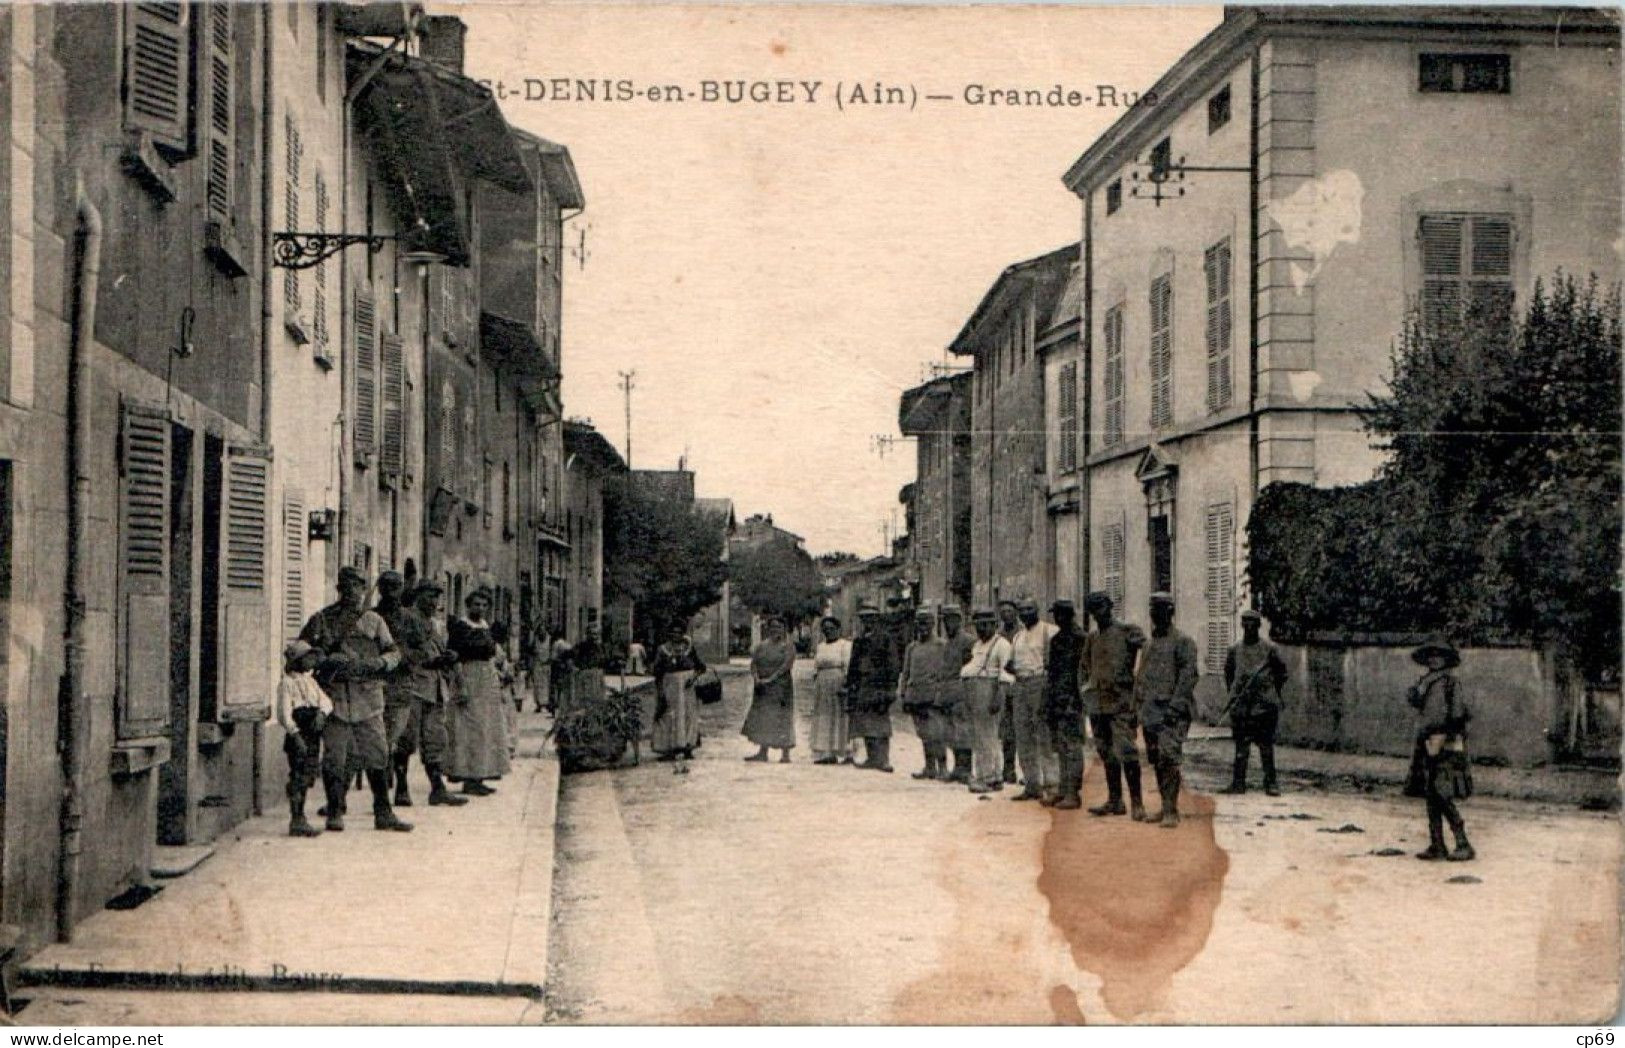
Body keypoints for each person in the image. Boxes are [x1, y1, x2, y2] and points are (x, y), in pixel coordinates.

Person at [299, 566, 412, 833]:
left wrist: (378, 664)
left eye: (358, 586)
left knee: (378, 755)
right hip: (334, 699)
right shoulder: (322, 620)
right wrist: (325, 659)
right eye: (347, 586)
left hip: (368, 698)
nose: (353, 592)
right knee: (335, 758)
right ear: (339, 589)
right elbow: (301, 653)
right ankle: (335, 812)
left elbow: (394, 652)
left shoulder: (373, 621)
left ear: (364, 590)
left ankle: (383, 812)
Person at [378, 575, 468, 809]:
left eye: (436, 598)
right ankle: (401, 788)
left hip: (435, 687)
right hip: (412, 687)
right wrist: (429, 661)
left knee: (435, 739)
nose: (433, 603)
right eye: (429, 597)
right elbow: (400, 650)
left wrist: (448, 659)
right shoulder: (406, 618)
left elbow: (436, 649)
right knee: (406, 740)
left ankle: (437, 788)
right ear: (418, 596)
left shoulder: (434, 624)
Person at [1081, 592, 1147, 819]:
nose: (1097, 613)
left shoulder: (1127, 631)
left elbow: (1146, 654)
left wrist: (1137, 689)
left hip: (1121, 703)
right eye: (1092, 610)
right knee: (1106, 753)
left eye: (1101, 607)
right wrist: (1086, 690)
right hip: (1098, 704)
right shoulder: (1092, 637)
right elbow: (1084, 666)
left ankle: (1137, 803)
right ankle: (1115, 800)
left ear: (1110, 606)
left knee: (1127, 751)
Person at [1408, 636, 1474, 862]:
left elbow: (1457, 713)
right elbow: (1417, 705)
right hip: (1426, 740)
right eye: (1431, 656)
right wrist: (1416, 690)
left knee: (1442, 792)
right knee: (1430, 794)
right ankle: (1437, 845)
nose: (1435, 660)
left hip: (1445, 739)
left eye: (1440, 656)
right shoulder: (1425, 682)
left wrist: (1447, 737)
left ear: (1447, 660)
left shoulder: (1451, 683)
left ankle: (1463, 843)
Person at [1137, 593, 1200, 828]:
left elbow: (1188, 677)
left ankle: (1171, 811)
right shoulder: (1149, 644)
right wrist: (1138, 707)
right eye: (1152, 609)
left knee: (1169, 758)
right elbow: (1141, 677)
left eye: (1161, 609)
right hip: (1150, 712)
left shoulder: (1183, 642)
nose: (1155, 614)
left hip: (1172, 713)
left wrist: (1175, 707)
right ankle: (1164, 807)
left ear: (1171, 611)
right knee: (1156, 760)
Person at [445, 589, 512, 795]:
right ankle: (469, 778)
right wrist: (461, 685)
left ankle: (481, 775)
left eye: (484, 605)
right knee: (469, 729)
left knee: (486, 729)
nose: (480, 608)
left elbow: (491, 655)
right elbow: (454, 657)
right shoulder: (460, 627)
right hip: (468, 676)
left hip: (486, 679)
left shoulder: (485, 627)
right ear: (468, 605)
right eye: (476, 604)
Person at [1223, 609, 1290, 796]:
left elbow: (1282, 673)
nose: (1249, 627)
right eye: (1245, 623)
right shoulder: (1234, 650)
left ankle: (1271, 783)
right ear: (1242, 625)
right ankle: (1238, 783)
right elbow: (1229, 674)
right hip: (1242, 707)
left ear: (1259, 626)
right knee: (1241, 747)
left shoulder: (1270, 649)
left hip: (1264, 706)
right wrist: (1235, 695)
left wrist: (1269, 690)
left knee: (1266, 746)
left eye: (1253, 623)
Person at [275, 640, 332, 837]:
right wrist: (295, 733)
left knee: (308, 773)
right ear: (298, 660)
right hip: (299, 734)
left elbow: (326, 701)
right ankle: (296, 818)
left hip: (313, 733)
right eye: (308, 657)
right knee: (298, 774)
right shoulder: (287, 684)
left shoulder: (310, 682)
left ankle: (301, 816)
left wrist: (321, 714)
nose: (312, 661)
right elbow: (284, 713)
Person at [1008, 598, 1060, 802]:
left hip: (1040, 684)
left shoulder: (1049, 631)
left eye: (1029, 609)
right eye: (1021, 610)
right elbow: (1013, 662)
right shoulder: (1018, 636)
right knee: (1023, 735)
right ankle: (1032, 784)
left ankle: (1052, 785)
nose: (1025, 613)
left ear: (1037, 610)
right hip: (1020, 684)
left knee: (1044, 736)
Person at [960, 607, 1014, 793]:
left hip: (989, 690)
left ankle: (987, 778)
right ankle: (993, 776)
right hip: (975, 690)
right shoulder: (977, 645)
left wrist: (999, 697)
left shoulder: (1002, 645)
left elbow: (1006, 675)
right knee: (980, 736)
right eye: (978, 626)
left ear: (994, 625)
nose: (981, 629)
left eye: (985, 625)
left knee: (988, 736)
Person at [844, 604, 900, 772]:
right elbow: (853, 664)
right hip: (863, 684)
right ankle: (871, 757)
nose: (867, 623)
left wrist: (891, 686)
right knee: (865, 722)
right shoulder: (859, 640)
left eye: (870, 619)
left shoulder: (885, 638)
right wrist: (849, 684)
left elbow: (893, 664)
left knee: (881, 722)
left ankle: (884, 760)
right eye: (864, 619)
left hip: (880, 685)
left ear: (877, 620)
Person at [1043, 600, 1088, 809]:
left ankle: (1073, 793)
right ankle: (1063, 790)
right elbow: (1052, 673)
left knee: (1072, 748)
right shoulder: (1057, 640)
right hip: (1057, 699)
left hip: (1073, 700)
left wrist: (1076, 699)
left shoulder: (1081, 639)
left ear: (1068, 615)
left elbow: (1083, 673)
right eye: (1055, 615)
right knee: (1060, 747)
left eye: (1060, 615)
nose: (1056, 619)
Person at [898, 608, 951, 780]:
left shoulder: (942, 645)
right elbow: (906, 673)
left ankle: (943, 767)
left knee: (937, 733)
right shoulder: (911, 648)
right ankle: (929, 767)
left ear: (933, 624)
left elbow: (946, 672)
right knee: (923, 734)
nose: (923, 627)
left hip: (933, 696)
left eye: (927, 623)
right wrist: (903, 693)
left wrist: (940, 693)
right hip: (915, 696)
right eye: (920, 623)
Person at [743, 617, 797, 762]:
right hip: (762, 687)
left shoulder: (788, 646)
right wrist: (756, 678)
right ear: (768, 629)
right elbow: (753, 664)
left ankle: (785, 755)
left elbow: (786, 666)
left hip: (781, 686)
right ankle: (762, 751)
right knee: (764, 717)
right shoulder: (761, 646)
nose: (775, 630)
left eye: (779, 627)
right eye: (772, 627)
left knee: (782, 717)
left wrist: (770, 679)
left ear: (784, 629)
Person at [651, 625, 707, 763]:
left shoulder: (688, 649)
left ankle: (687, 747)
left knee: (688, 716)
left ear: (683, 634)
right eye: (673, 632)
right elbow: (657, 673)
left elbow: (701, 667)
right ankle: (669, 748)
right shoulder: (663, 650)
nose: (676, 635)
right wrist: (660, 692)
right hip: (670, 686)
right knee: (668, 716)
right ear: (669, 634)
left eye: (679, 632)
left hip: (687, 688)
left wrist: (692, 679)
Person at [939, 605, 977, 784]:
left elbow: (972, 669)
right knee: (950, 732)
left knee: (963, 732)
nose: (948, 624)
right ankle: (957, 768)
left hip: (961, 691)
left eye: (951, 620)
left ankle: (966, 769)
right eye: (945, 621)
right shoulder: (946, 643)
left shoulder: (968, 641)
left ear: (959, 621)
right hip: (947, 692)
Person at [808, 616, 854, 764]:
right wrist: (816, 682)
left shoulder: (845, 645)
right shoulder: (821, 646)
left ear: (838, 629)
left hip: (838, 681)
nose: (828, 631)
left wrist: (846, 684)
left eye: (831, 629)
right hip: (823, 684)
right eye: (825, 629)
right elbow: (816, 666)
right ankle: (827, 752)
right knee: (824, 717)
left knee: (840, 716)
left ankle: (846, 752)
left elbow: (848, 666)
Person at [995, 600, 1022, 784]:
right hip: (1005, 686)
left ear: (1016, 613)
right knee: (1007, 732)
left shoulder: (1023, 632)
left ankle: (1029, 772)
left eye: (1009, 611)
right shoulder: (998, 635)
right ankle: (1009, 768)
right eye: (1003, 612)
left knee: (1026, 730)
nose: (1006, 615)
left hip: (1022, 685)